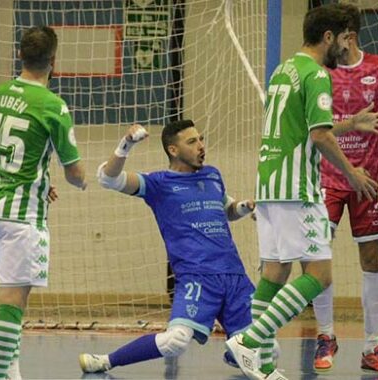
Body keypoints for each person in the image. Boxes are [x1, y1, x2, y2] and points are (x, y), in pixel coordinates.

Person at [225, 4, 378, 379]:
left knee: (275, 273)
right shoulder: (317, 74)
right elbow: (318, 136)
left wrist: (350, 122)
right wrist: (351, 173)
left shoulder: (284, 70)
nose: (346, 49)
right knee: (320, 274)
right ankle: (249, 340)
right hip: (297, 188)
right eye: (344, 39)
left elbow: (307, 124)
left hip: (269, 184)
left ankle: (264, 367)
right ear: (329, 37)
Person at [78, 120, 259, 374]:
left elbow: (226, 209)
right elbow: (109, 178)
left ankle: (236, 353)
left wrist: (243, 207)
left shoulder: (213, 175)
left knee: (268, 350)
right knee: (175, 340)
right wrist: (126, 144)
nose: (201, 146)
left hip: (235, 277)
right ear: (173, 150)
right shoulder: (158, 184)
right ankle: (105, 361)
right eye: (192, 141)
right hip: (197, 278)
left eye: (201, 139)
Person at [0, 26, 86, 380]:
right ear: (54, 61)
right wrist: (84, 180)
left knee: (14, 296)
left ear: (20, 55)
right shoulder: (53, 105)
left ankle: (11, 375)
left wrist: (41, 181)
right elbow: (75, 174)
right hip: (20, 216)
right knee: (13, 301)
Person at [311, 4, 378, 375]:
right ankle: (326, 335)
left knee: (373, 261)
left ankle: (371, 348)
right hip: (327, 178)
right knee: (316, 258)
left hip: (370, 181)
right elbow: (313, 129)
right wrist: (353, 125)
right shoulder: (319, 71)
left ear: (348, 34)